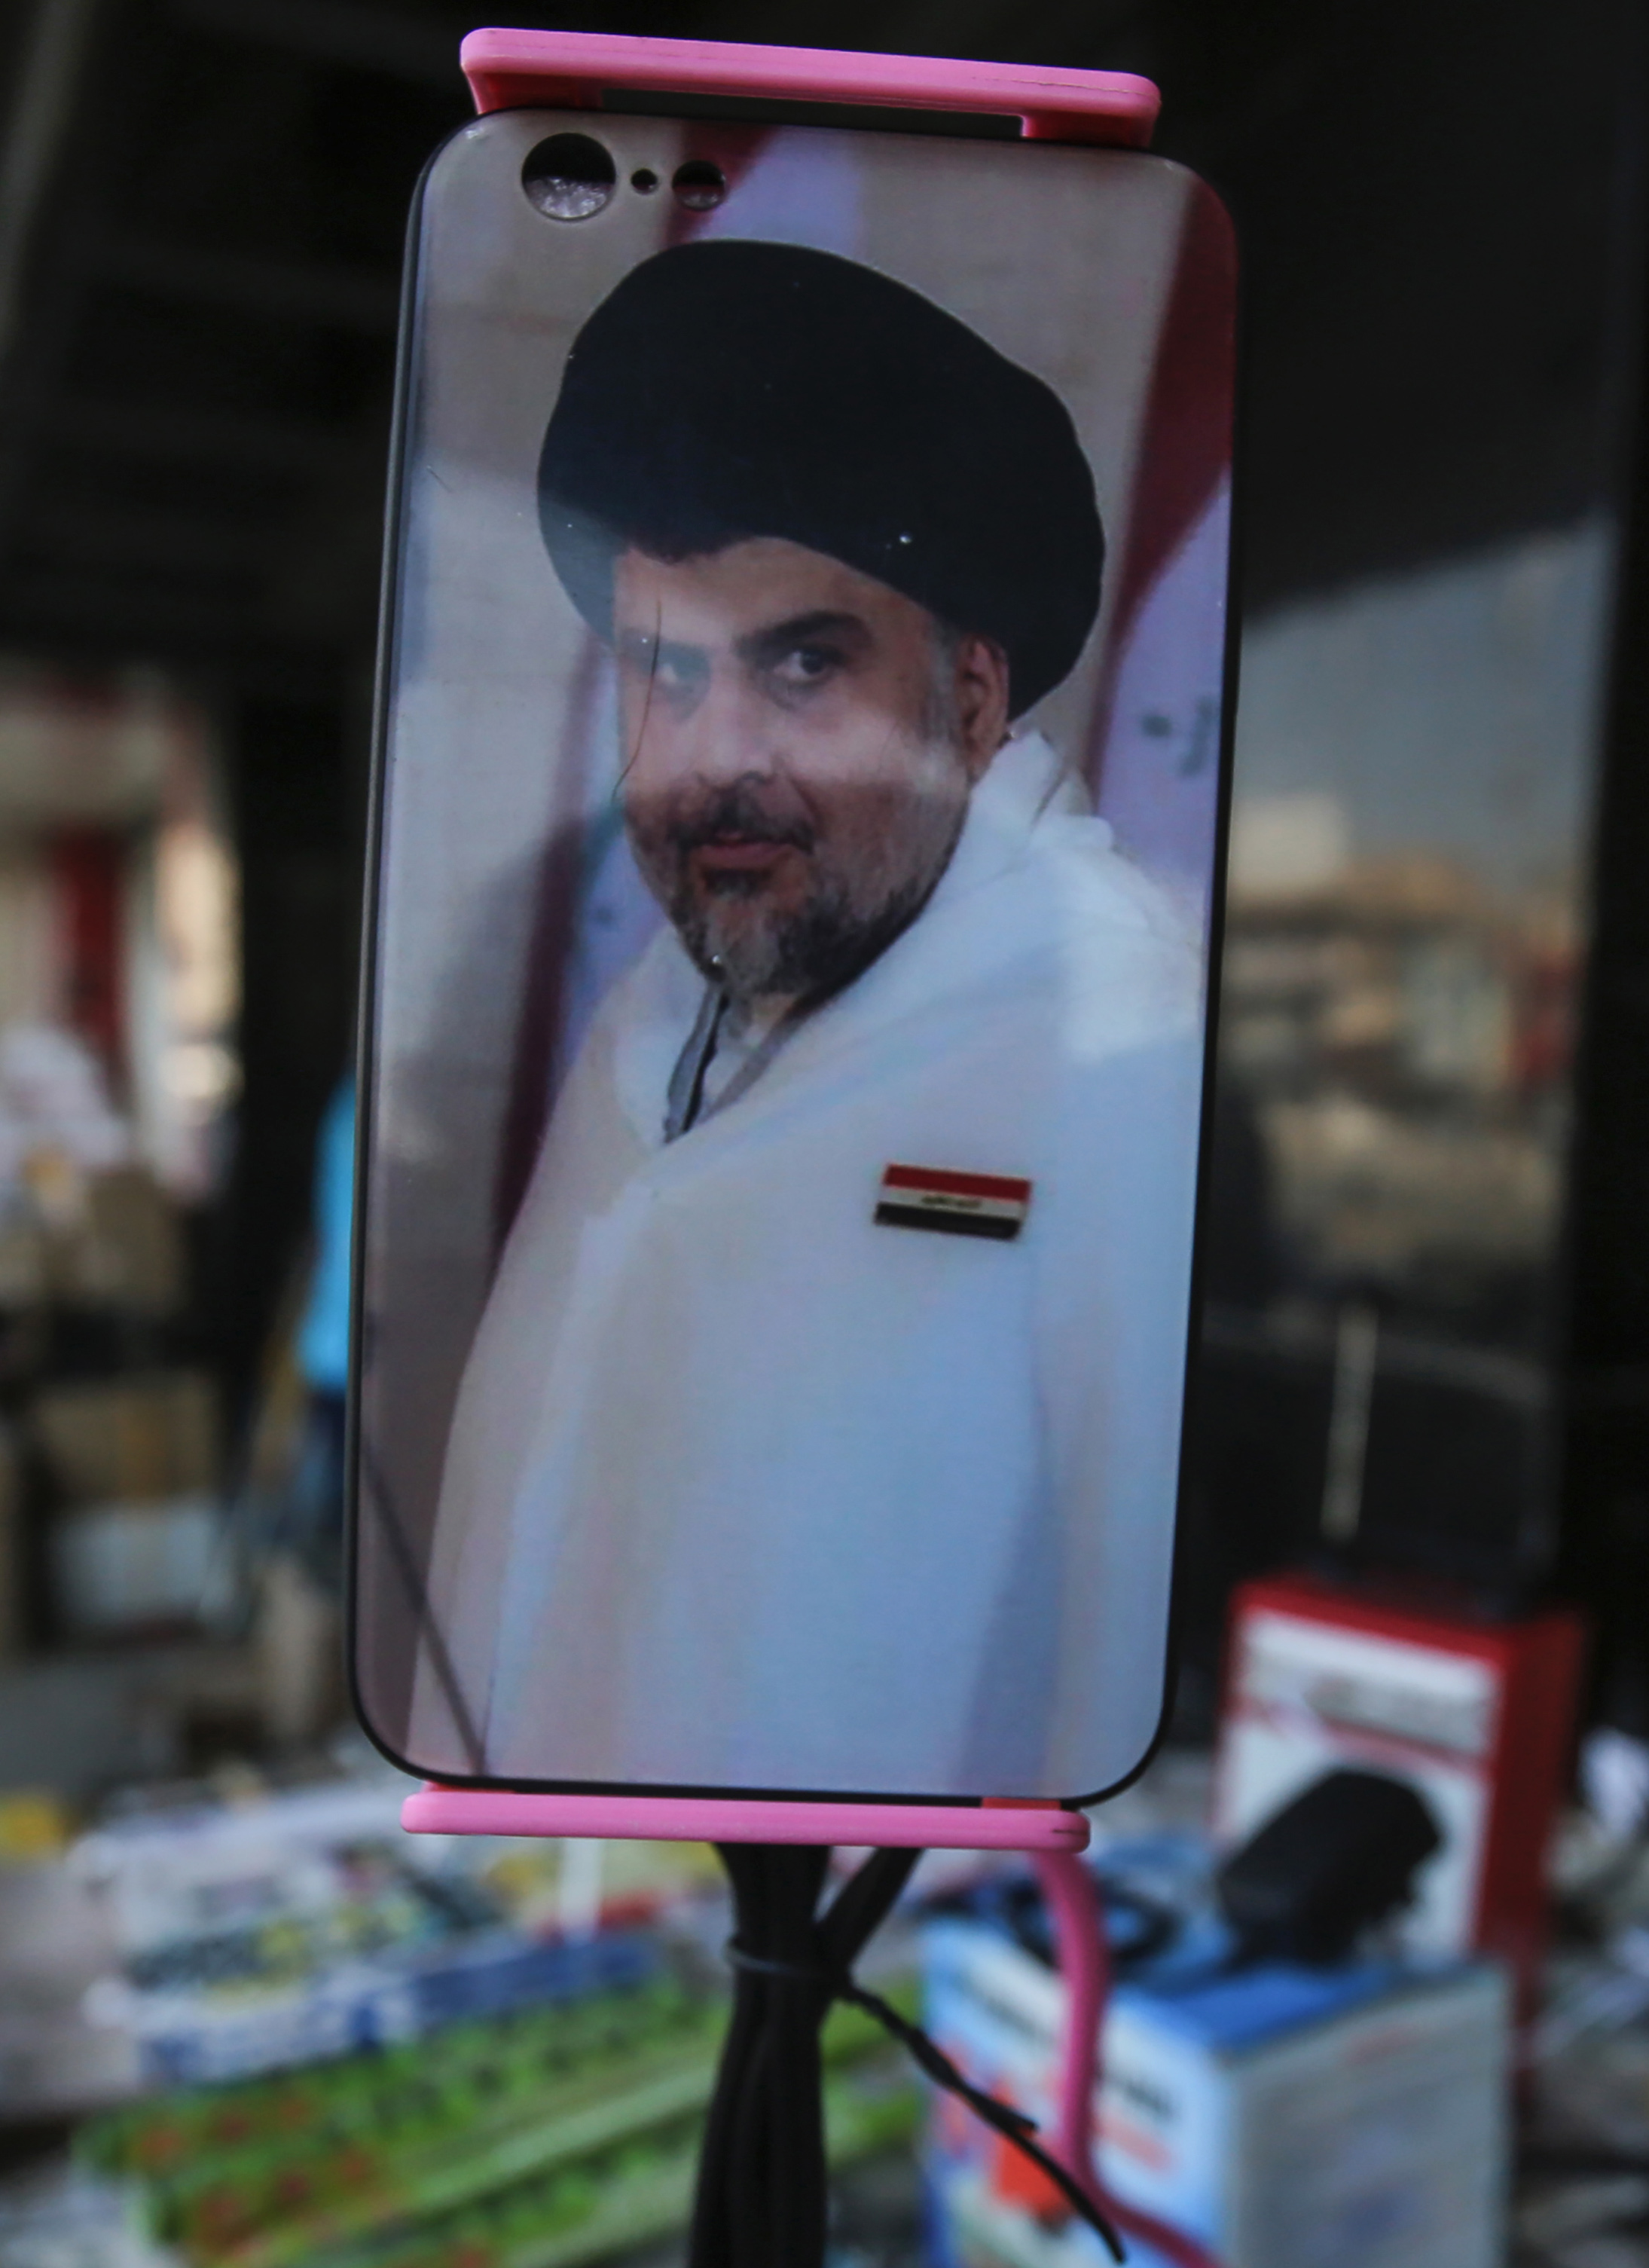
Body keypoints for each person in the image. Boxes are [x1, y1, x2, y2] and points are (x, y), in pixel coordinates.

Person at [412, 241, 1207, 1797]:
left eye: (798, 665)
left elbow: (1138, 1706)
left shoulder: (1116, 1043)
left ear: (972, 701)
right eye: (663, 669)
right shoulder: (658, 1022)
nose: (712, 757)